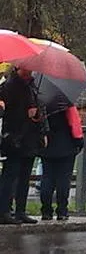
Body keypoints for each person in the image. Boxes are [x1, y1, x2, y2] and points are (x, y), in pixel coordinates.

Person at [0, 67, 42, 224]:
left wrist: (36, 115)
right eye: (27, 66)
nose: (30, 70)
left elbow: (38, 109)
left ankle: (20, 210)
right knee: (10, 175)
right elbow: (6, 112)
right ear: (18, 67)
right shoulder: (9, 86)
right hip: (14, 137)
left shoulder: (32, 86)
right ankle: (4, 210)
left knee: (25, 176)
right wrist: (26, 113)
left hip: (29, 137)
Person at [39, 102, 83, 221]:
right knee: (63, 181)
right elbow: (75, 124)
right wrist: (79, 142)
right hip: (66, 145)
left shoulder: (42, 103)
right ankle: (62, 211)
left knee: (47, 178)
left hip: (47, 146)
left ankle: (46, 211)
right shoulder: (66, 102)